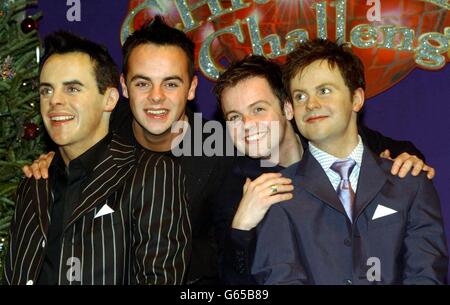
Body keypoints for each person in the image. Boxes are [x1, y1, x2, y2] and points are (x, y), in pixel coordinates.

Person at [23, 16, 232, 285]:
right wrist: (54, 164)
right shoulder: (102, 125)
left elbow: (227, 256)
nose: (156, 97)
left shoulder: (218, 154)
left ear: (191, 88)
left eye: (170, 84)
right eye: (142, 83)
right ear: (123, 87)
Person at [213, 55, 436, 284]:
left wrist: (409, 160)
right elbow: (236, 285)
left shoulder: (325, 134)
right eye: (234, 117)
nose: (248, 124)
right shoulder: (234, 192)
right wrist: (240, 229)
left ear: (287, 108)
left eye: (258, 109)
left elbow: (391, 152)